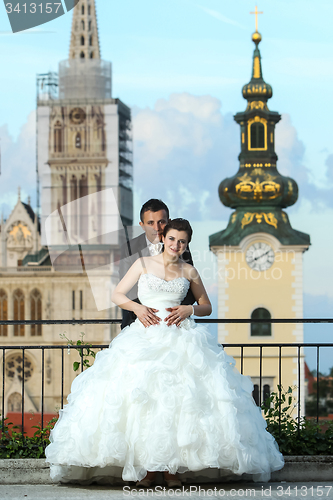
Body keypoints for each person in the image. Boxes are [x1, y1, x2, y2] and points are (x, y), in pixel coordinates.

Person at [45, 219, 284, 486]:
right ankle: (147, 471)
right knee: (145, 401)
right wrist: (137, 309)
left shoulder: (190, 271)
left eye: (182, 241)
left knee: (179, 402)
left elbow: (206, 306)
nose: (176, 245)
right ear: (163, 238)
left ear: (187, 243)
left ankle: (172, 471)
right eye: (172, 239)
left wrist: (188, 309)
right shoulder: (143, 264)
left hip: (180, 338)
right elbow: (117, 294)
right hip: (144, 336)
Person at [120, 199, 195, 329]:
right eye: (150, 223)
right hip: (138, 323)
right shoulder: (129, 249)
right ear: (142, 225)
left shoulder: (180, 247)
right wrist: (143, 311)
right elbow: (125, 290)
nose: (157, 228)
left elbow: (190, 286)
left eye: (161, 222)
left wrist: (177, 311)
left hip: (176, 325)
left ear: (169, 222)